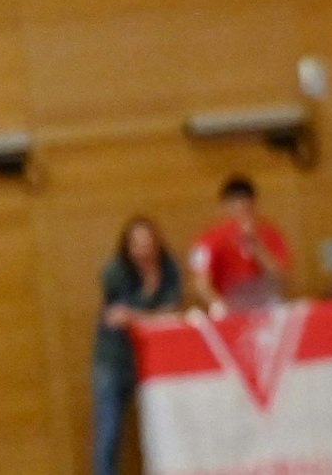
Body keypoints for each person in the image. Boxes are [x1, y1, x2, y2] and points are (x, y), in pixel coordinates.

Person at [92, 217, 184, 475]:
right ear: (128, 247)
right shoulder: (115, 272)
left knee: (160, 428)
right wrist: (150, 317)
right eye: (137, 244)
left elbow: (172, 312)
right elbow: (117, 317)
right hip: (114, 359)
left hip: (154, 361)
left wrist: (137, 317)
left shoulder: (169, 268)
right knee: (109, 431)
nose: (144, 249)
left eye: (148, 242)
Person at [188, 175, 291, 314]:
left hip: (266, 303)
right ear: (224, 206)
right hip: (229, 305)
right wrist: (217, 304)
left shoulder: (271, 235)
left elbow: (282, 279)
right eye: (235, 205)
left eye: (245, 205)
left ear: (254, 205)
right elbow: (201, 282)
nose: (240, 211)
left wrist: (257, 246)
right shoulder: (208, 241)